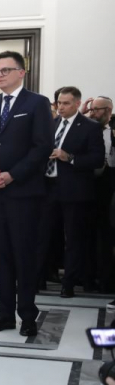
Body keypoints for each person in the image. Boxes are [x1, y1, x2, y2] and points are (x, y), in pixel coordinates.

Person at [0, 50, 54, 337]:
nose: (0, 75)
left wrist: (12, 174)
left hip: (24, 194)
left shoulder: (37, 103)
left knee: (24, 255)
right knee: (0, 255)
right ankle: (5, 314)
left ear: (21, 72)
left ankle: (28, 315)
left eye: (6, 70)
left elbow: (42, 146)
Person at [35, 86, 104, 297]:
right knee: (42, 235)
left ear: (76, 104)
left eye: (65, 103)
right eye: (58, 103)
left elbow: (97, 159)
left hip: (75, 192)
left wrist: (70, 157)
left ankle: (69, 283)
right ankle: (39, 279)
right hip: (48, 188)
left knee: (73, 239)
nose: (61, 107)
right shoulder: (51, 124)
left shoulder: (90, 127)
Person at [83, 96, 115, 296]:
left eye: (97, 109)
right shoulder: (85, 129)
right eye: (91, 109)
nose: (93, 113)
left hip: (110, 186)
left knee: (107, 235)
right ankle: (87, 278)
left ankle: (106, 279)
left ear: (108, 110)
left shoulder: (111, 132)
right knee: (86, 234)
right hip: (88, 185)